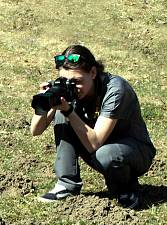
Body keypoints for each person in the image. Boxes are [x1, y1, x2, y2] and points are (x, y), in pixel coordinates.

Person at [30, 45, 156, 209]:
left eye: (77, 81)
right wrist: (48, 103)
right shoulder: (71, 89)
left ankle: (125, 190)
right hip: (97, 145)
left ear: (93, 73)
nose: (72, 86)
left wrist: (68, 110)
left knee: (106, 153)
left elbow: (94, 143)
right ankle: (66, 185)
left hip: (134, 151)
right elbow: (35, 130)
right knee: (62, 113)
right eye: (65, 80)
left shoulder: (116, 90)